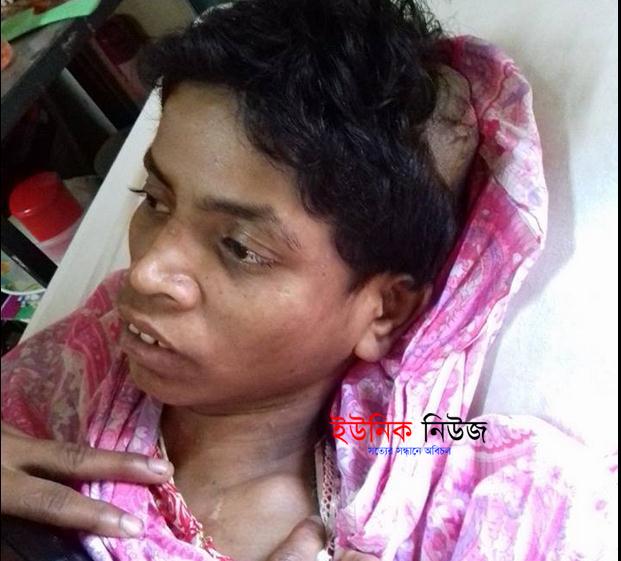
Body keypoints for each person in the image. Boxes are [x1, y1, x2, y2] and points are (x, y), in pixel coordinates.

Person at [1, 1, 616, 560]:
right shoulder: (73, 374)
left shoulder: (455, 486)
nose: (147, 270)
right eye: (155, 200)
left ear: (384, 310)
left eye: (239, 248)